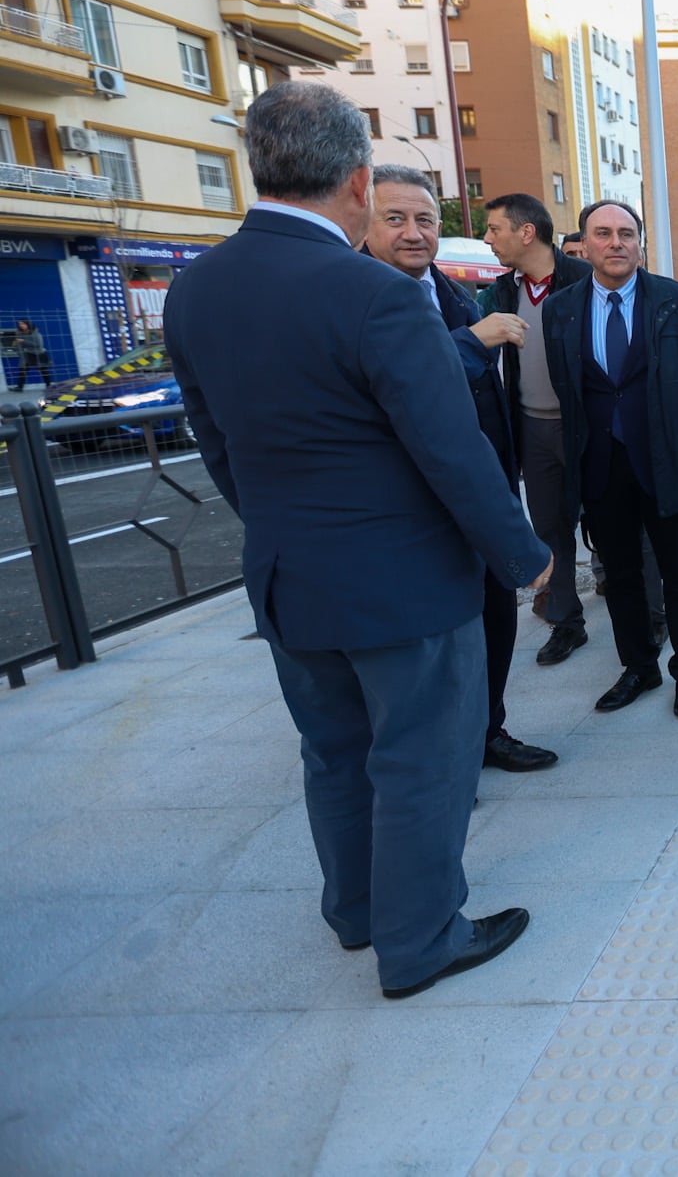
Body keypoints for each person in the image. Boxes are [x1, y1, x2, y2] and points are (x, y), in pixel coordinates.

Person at [163, 81, 546, 999]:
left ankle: (359, 912)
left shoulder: (195, 289)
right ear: (358, 181)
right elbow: (450, 449)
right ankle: (420, 943)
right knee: (421, 757)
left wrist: (283, 532)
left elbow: (217, 445)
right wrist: (524, 558)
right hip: (404, 587)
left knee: (333, 751)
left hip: (291, 580)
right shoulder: (373, 294)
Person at [365, 165, 558, 772]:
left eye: (425, 219)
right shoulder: (357, 297)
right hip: (409, 512)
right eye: (394, 218)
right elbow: (396, 390)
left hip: (480, 495)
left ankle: (487, 732)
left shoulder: (449, 292)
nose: (414, 233)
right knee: (428, 648)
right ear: (361, 220)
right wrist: (474, 340)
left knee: (494, 622)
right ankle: (439, 764)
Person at [540, 199, 678, 717]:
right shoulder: (561, 308)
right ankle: (638, 666)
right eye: (603, 233)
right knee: (621, 574)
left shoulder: (677, 301)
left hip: (666, 460)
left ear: (640, 242)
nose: (616, 242)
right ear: (585, 244)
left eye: (626, 233)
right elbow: (570, 390)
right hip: (600, 463)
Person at [479, 193, 593, 662]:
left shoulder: (585, 279)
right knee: (549, 529)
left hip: (587, 427)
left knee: (620, 524)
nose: (488, 239)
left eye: (494, 229)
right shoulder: (501, 293)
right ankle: (566, 622)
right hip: (533, 429)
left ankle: (650, 614)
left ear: (527, 232)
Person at [9, 318, 52, 390]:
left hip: (39, 354)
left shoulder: (36, 333)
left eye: (23, 323)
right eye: (19, 324)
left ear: (27, 324)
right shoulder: (19, 333)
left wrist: (24, 341)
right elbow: (19, 345)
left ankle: (49, 386)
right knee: (23, 370)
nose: (21, 325)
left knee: (43, 370)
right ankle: (19, 387)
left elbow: (39, 345)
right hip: (27, 354)